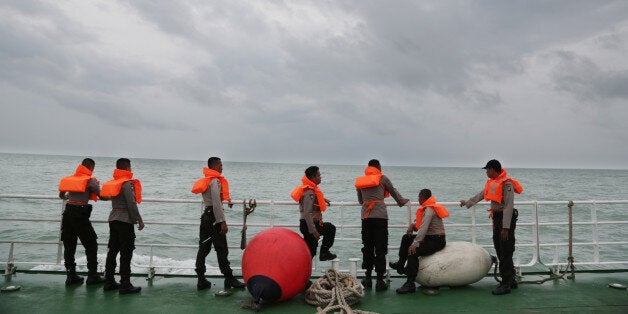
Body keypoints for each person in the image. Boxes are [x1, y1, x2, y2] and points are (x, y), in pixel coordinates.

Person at [460, 159, 523, 295]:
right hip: (496, 218)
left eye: (487, 170)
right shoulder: (492, 183)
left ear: (493, 169)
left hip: (505, 219)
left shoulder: (507, 184)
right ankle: (510, 279)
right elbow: (481, 195)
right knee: (500, 248)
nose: (486, 172)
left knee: (505, 250)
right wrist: (467, 203)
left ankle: (506, 284)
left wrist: (505, 228)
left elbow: (508, 206)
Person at [355, 159, 409, 291]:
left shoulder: (361, 181)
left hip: (366, 217)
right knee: (380, 248)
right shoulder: (383, 178)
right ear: (378, 167)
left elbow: (361, 200)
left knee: (367, 247)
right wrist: (402, 202)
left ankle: (367, 278)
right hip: (380, 217)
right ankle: (379, 281)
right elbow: (393, 191)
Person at [191, 157, 245, 291]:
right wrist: (222, 222)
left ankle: (201, 279)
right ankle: (229, 278)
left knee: (203, 248)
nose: (222, 168)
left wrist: (227, 199)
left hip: (205, 218)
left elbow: (213, 199)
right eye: (220, 165)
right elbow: (216, 203)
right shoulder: (215, 181)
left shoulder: (207, 180)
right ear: (214, 166)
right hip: (214, 219)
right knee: (222, 249)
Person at [57, 158, 106, 286]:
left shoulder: (70, 179)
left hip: (68, 212)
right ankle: (92, 276)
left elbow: (61, 195)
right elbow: (102, 196)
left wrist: (69, 197)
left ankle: (71, 276)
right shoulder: (90, 180)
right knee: (91, 244)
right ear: (91, 168)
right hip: (80, 213)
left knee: (69, 245)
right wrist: (114, 196)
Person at [100, 158, 144, 294]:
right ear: (126, 168)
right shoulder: (126, 184)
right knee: (126, 252)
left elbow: (105, 197)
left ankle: (109, 281)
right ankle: (125, 284)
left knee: (112, 251)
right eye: (130, 167)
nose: (131, 170)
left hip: (113, 218)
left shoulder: (114, 183)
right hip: (125, 221)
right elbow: (131, 204)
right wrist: (139, 220)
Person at [391, 189, 449, 294]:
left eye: (419, 197)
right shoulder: (428, 208)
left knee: (413, 251)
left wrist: (415, 243)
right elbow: (421, 227)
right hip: (429, 237)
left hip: (437, 240)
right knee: (406, 238)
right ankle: (400, 264)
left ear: (423, 198)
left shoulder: (429, 211)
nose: (418, 199)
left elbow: (424, 228)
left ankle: (410, 283)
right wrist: (412, 226)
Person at [291, 166, 337, 261]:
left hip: (308, 224)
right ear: (313, 177)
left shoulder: (310, 191)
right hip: (309, 225)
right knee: (331, 228)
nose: (321, 177)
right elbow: (307, 213)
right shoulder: (309, 192)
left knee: (310, 252)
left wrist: (323, 200)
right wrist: (314, 231)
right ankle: (324, 253)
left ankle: (301, 272)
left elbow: (312, 201)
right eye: (319, 175)